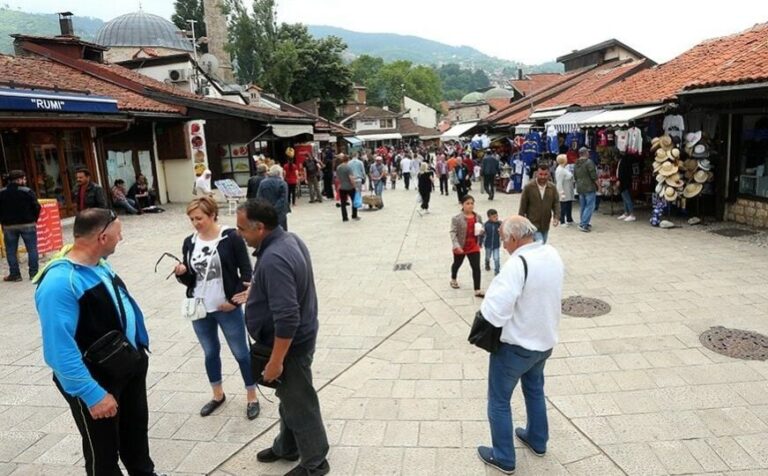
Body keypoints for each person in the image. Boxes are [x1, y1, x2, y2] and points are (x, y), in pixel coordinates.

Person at [34, 208, 162, 476]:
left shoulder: (97, 263)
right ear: (102, 237)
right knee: (103, 455)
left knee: (136, 440)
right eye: (118, 234)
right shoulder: (59, 282)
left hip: (127, 367)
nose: (121, 238)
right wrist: (93, 395)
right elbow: (59, 351)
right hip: (96, 380)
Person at [236, 200, 330, 476]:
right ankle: (286, 447)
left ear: (260, 228)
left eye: (242, 229)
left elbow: (287, 317)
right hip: (301, 337)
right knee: (290, 397)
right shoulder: (290, 240)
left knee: (300, 402)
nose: (239, 234)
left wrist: (276, 361)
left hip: (290, 346)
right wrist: (259, 287)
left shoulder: (275, 258)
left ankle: (315, 461)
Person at [476, 216, 564, 475]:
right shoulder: (551, 253)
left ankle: (503, 457)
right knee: (535, 390)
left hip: (515, 347)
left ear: (515, 238)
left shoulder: (517, 265)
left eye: (504, 240)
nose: (503, 246)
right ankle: (537, 439)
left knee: (499, 401)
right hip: (544, 341)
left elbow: (495, 312)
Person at [173, 197, 260, 420]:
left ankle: (252, 395)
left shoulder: (231, 237)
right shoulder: (189, 242)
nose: (196, 223)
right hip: (200, 308)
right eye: (192, 219)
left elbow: (247, 273)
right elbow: (192, 279)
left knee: (241, 353)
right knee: (210, 352)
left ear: (212, 215)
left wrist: (235, 301)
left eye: (199, 218)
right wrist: (182, 273)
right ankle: (217, 394)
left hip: (226, 308)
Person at [0, 170, 41, 281]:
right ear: (19, 179)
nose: (25, 181)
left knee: (11, 251)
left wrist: (2, 221)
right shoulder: (27, 191)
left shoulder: (2, 192)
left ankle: (15, 274)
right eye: (24, 179)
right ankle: (34, 273)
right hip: (27, 224)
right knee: (32, 249)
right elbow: (36, 206)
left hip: (9, 226)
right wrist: (34, 219)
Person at [449, 194, 485, 298]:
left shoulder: (478, 217)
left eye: (472, 203)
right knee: (457, 264)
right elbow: (453, 232)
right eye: (467, 203)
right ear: (462, 205)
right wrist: (456, 245)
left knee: (476, 268)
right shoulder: (456, 218)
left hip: (473, 246)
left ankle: (477, 289)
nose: (470, 206)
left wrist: (482, 231)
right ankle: (453, 278)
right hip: (461, 246)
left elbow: (482, 229)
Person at [519, 164, 560, 244]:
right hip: (532, 224)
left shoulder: (552, 188)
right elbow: (523, 206)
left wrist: (556, 217)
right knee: (540, 243)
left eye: (545, 174)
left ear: (549, 174)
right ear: (536, 173)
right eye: (541, 174)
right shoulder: (529, 187)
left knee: (543, 243)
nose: (543, 177)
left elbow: (556, 203)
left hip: (545, 223)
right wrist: (521, 221)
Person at [256, 165, 290, 231]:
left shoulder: (263, 183)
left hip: (266, 213)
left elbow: (259, 198)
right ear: (279, 173)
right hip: (279, 214)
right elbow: (283, 200)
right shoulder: (282, 183)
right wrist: (274, 210)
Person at [573, 147, 598, 232]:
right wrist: (599, 186)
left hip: (580, 187)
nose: (589, 153)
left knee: (583, 205)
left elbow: (575, 176)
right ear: (586, 153)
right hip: (589, 187)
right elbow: (593, 176)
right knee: (590, 206)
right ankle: (584, 224)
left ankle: (583, 222)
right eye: (588, 152)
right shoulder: (589, 162)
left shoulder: (576, 163)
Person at [335, 154, 359, 222]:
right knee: (354, 201)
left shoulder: (338, 167)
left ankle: (344, 217)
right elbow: (351, 178)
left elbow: (337, 177)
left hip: (342, 187)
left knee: (343, 203)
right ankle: (354, 215)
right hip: (350, 187)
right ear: (347, 160)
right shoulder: (348, 167)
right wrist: (355, 186)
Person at [554, 154, 575, 226]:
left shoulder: (564, 168)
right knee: (563, 206)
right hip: (564, 191)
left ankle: (569, 219)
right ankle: (562, 220)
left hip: (568, 190)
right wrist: (561, 193)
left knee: (569, 204)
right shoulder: (560, 170)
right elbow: (559, 183)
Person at [616, 155, 636, 222]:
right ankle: (626, 213)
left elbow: (622, 173)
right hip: (623, 182)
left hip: (624, 183)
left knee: (627, 198)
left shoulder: (624, 162)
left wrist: (619, 180)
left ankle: (632, 214)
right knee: (624, 199)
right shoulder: (621, 161)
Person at [483, 209, 502, 276]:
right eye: (493, 216)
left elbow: (504, 232)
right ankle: (487, 263)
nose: (496, 218)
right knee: (487, 256)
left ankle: (497, 271)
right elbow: (482, 234)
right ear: (489, 217)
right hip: (488, 245)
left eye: (496, 216)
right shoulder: (486, 225)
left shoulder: (500, 224)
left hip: (496, 245)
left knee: (496, 258)